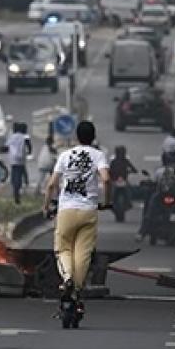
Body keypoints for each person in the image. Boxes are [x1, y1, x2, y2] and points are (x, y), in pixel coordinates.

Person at [42, 121, 110, 313]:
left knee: (63, 249)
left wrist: (46, 206)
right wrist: (106, 201)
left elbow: (51, 185)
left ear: (76, 137)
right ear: (93, 137)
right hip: (88, 211)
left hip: (66, 211)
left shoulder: (65, 155)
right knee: (83, 253)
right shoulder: (98, 155)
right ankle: (77, 288)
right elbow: (106, 178)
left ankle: (67, 279)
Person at [6, 123, 32, 204]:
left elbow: (6, 146)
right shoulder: (25, 137)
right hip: (21, 159)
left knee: (14, 174)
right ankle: (18, 190)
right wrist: (28, 152)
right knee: (20, 175)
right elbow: (29, 147)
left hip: (13, 160)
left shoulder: (12, 136)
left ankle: (15, 190)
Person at [108, 145, 137, 218]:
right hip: (116, 182)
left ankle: (128, 203)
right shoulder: (118, 161)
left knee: (129, 190)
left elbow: (133, 169)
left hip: (121, 181)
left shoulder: (117, 161)